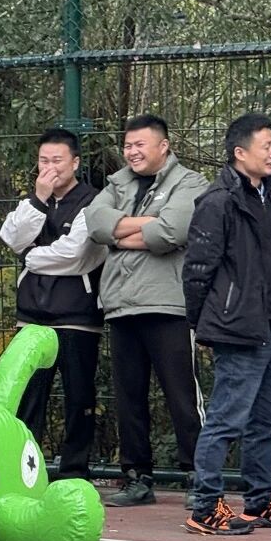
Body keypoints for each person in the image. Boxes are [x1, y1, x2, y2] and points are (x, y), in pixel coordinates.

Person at [182, 113, 271, 534]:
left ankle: (260, 500)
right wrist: (205, 323)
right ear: (240, 152)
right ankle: (205, 506)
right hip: (238, 329)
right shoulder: (217, 202)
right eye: (266, 146)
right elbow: (197, 270)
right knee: (226, 419)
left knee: (268, 419)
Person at [87, 114, 208, 508]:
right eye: (127, 145)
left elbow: (172, 231)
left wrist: (119, 234)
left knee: (182, 396)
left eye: (140, 144)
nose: (132, 152)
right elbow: (95, 223)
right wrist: (145, 228)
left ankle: (200, 478)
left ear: (163, 145)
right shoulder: (116, 183)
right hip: (121, 306)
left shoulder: (190, 183)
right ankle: (137, 478)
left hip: (169, 306)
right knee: (128, 398)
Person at [0, 128, 104, 480]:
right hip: (31, 318)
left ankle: (75, 472)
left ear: (75, 162)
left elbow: (76, 255)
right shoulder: (34, 200)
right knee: (28, 397)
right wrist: (39, 200)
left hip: (77, 317)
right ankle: (25, 471)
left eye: (57, 160)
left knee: (79, 398)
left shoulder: (92, 201)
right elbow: (11, 238)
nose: (50, 167)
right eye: (43, 160)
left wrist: (30, 256)